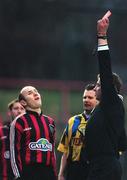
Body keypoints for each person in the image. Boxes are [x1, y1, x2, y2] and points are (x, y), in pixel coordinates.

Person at [82, 11, 127, 180]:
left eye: (99, 84)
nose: (95, 87)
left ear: (110, 88)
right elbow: (123, 142)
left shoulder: (111, 102)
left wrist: (102, 35)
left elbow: (105, 69)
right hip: (102, 167)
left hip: (105, 169)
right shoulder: (108, 110)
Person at [10, 86, 57, 180]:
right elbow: (14, 152)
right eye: (30, 93)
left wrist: (55, 174)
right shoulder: (19, 121)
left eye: (36, 91)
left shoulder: (50, 122)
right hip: (29, 173)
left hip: (48, 173)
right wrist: (18, 176)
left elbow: (52, 152)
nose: (35, 93)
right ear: (23, 102)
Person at [57, 84, 99, 180]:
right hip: (74, 171)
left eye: (90, 97)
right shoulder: (73, 121)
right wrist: (61, 174)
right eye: (84, 97)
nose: (86, 100)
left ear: (97, 100)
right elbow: (65, 150)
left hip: (94, 171)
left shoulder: (102, 122)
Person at [0, 99, 25, 180]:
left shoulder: (31, 132)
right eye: (16, 108)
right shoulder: (2, 131)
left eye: (22, 108)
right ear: (9, 112)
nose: (19, 111)